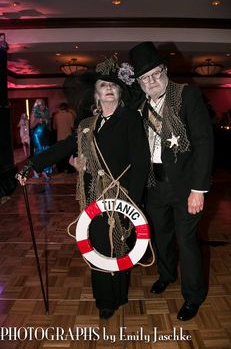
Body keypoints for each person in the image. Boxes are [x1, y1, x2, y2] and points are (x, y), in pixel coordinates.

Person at [16, 55, 150, 320]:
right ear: (97, 94)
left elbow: (141, 162)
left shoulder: (131, 120)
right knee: (99, 244)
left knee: (120, 245)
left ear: (119, 92)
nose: (108, 88)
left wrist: (132, 202)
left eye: (113, 85)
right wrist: (31, 164)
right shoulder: (86, 124)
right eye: (103, 85)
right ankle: (105, 300)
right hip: (93, 195)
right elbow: (63, 148)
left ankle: (120, 294)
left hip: (122, 194)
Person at [129, 41, 214, 321]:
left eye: (155, 73)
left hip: (186, 187)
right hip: (154, 186)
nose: (151, 81)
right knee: (161, 235)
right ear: (139, 82)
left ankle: (193, 296)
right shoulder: (139, 106)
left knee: (186, 241)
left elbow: (204, 142)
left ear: (164, 70)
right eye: (145, 77)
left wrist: (199, 189)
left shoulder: (186, 95)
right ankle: (166, 275)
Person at [30, 99, 53, 179]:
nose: (42, 106)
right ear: (37, 106)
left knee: (46, 151)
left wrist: (48, 122)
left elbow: (48, 126)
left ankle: (45, 171)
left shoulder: (46, 113)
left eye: (43, 104)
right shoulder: (34, 113)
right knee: (39, 152)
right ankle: (36, 170)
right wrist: (38, 121)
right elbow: (31, 126)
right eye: (40, 105)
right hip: (37, 135)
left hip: (45, 135)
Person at [53, 102, 76, 173]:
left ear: (60, 108)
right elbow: (72, 126)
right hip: (68, 137)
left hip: (59, 137)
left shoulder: (56, 116)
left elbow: (54, 127)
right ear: (67, 108)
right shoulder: (70, 115)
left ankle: (61, 169)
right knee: (69, 154)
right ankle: (70, 169)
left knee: (60, 155)